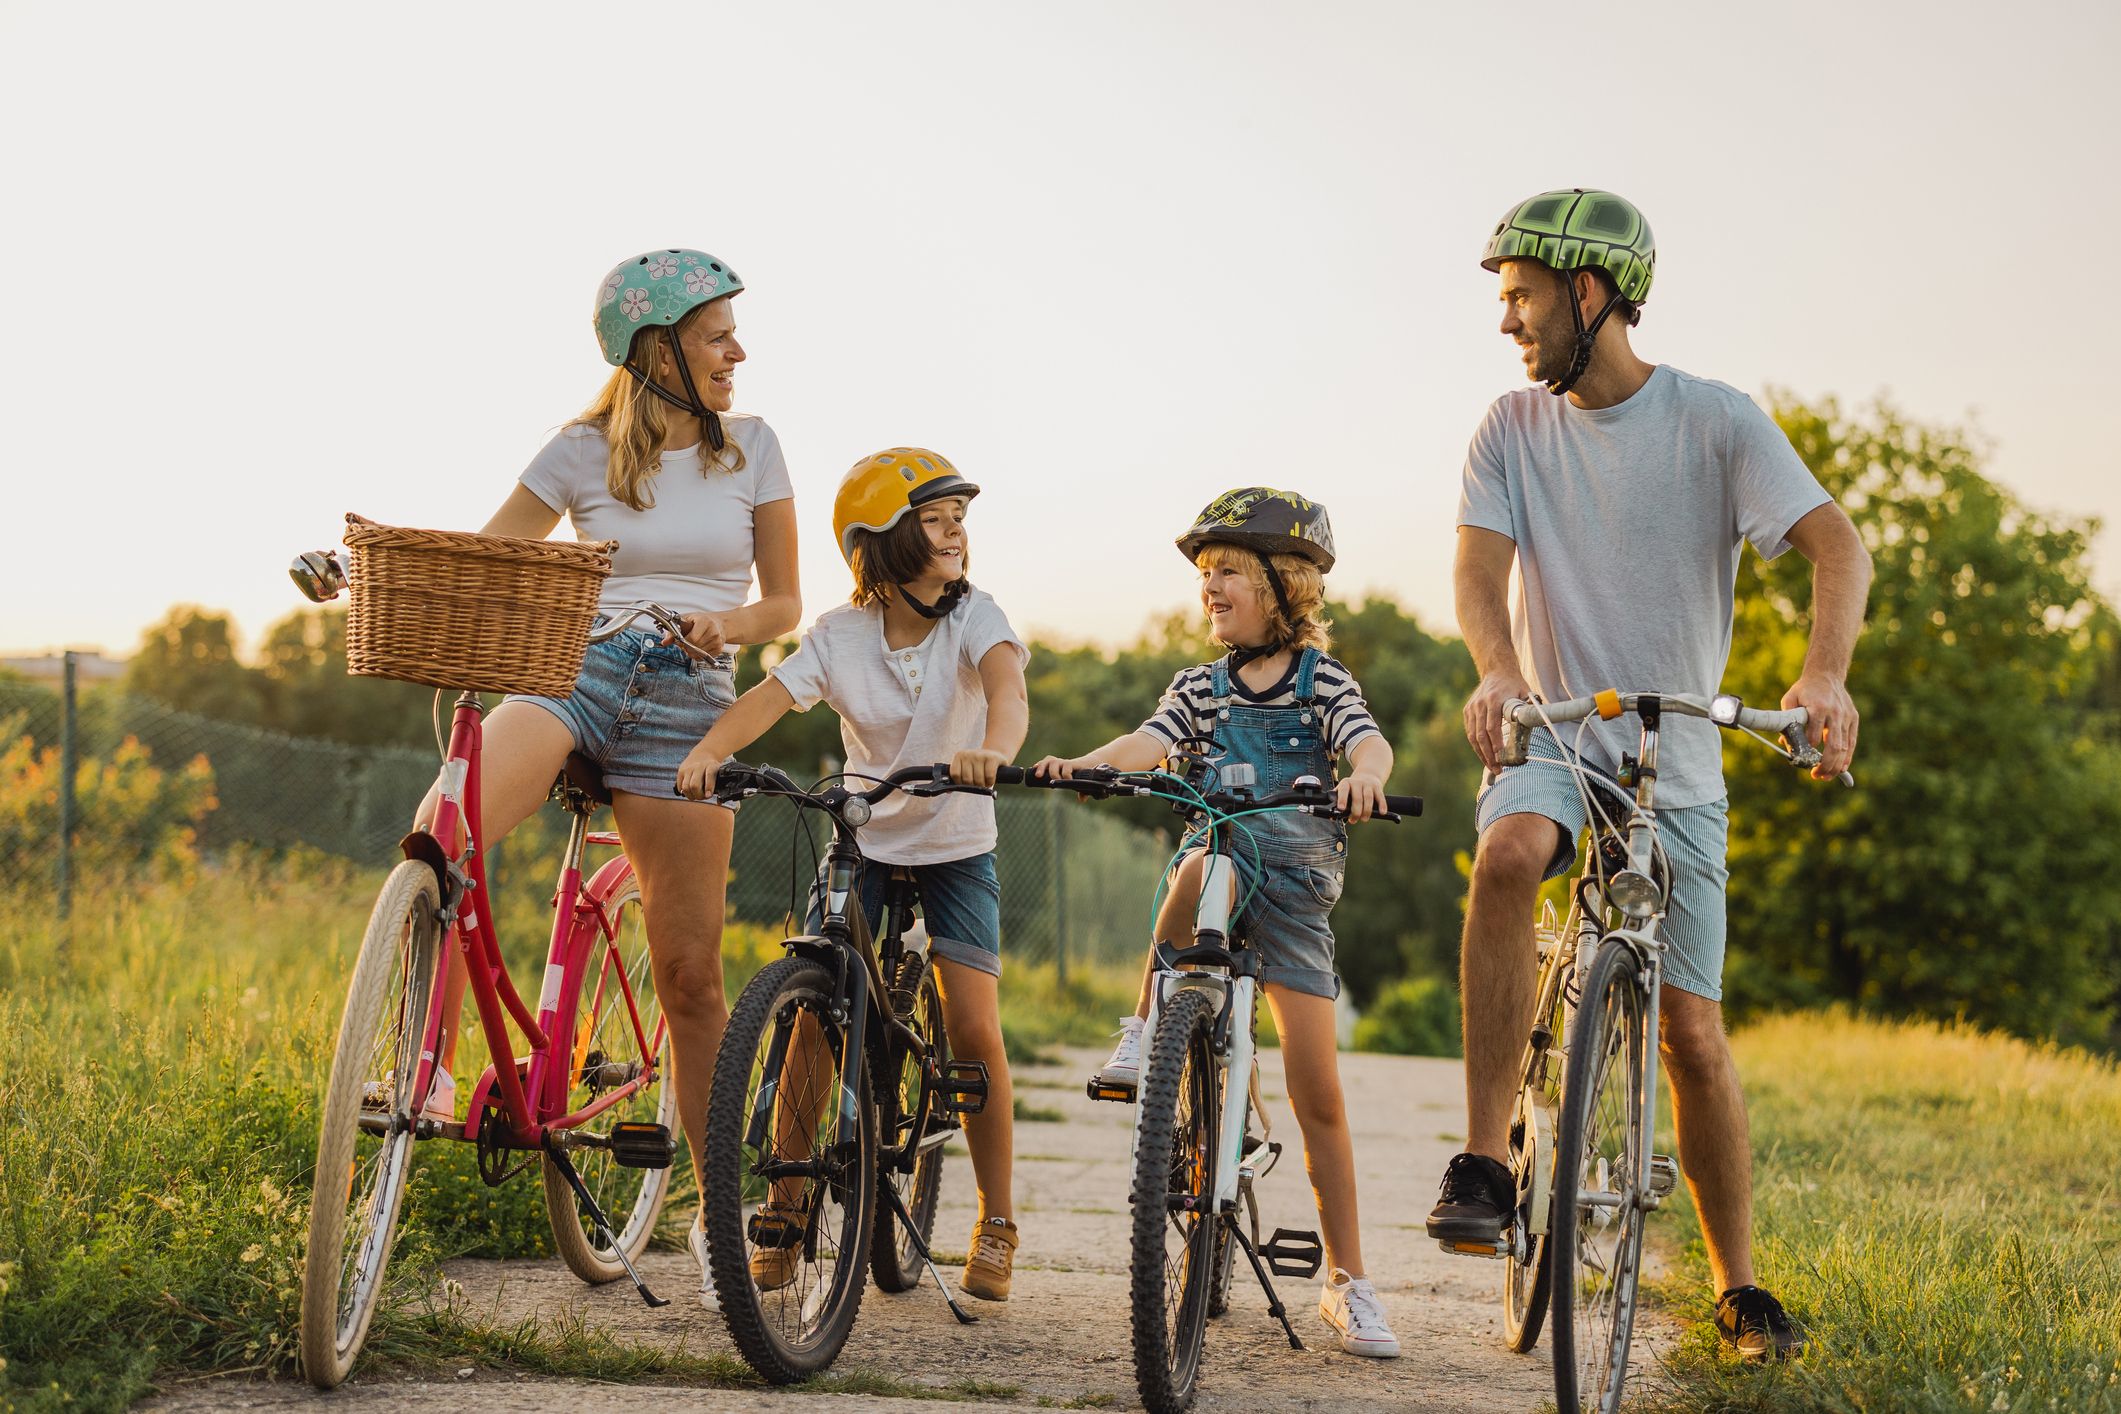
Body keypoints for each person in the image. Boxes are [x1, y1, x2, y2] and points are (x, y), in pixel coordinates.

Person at [1426, 190, 1872, 1362]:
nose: (1507, 319)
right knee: (1510, 855)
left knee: (1693, 1031)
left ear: (1591, 292)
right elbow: (1478, 572)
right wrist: (1499, 672)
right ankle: (1484, 1157)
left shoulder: (1717, 422)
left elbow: (1838, 544)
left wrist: (1824, 679)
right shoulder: (1510, 426)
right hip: (1558, 734)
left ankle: (1740, 1286)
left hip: (1678, 757)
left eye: (1520, 294)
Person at [418, 248, 801, 1313]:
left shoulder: (755, 449)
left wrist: (728, 622)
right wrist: (367, 563)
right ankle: (423, 1061)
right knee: (441, 829)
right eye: (719, 332)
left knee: (689, 978)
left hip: (690, 695)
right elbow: (492, 555)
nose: (738, 351)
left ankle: (720, 1217)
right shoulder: (581, 450)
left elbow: (784, 607)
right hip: (573, 673)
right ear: (658, 345)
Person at [1032, 489, 1403, 1359]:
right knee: (1201, 859)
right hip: (1220, 876)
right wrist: (1083, 765)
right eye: (1205, 575)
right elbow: (1151, 740)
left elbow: (1367, 741)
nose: (1211, 587)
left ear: (1285, 586)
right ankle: (1146, 1027)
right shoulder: (1198, 686)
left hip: (1297, 891)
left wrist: (1365, 778)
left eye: (1228, 571)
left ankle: (1348, 1282)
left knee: (1318, 1094)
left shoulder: (1322, 682)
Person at [676, 447, 1030, 1301]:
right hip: (865, 833)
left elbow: (1007, 688)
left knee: (975, 1026)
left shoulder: (973, 616)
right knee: (812, 1016)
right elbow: (770, 698)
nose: (957, 533)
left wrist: (993, 751)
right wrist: (708, 751)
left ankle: (997, 1216)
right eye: (938, 520)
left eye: (960, 521)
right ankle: (786, 1205)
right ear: (884, 540)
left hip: (954, 839)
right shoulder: (839, 634)